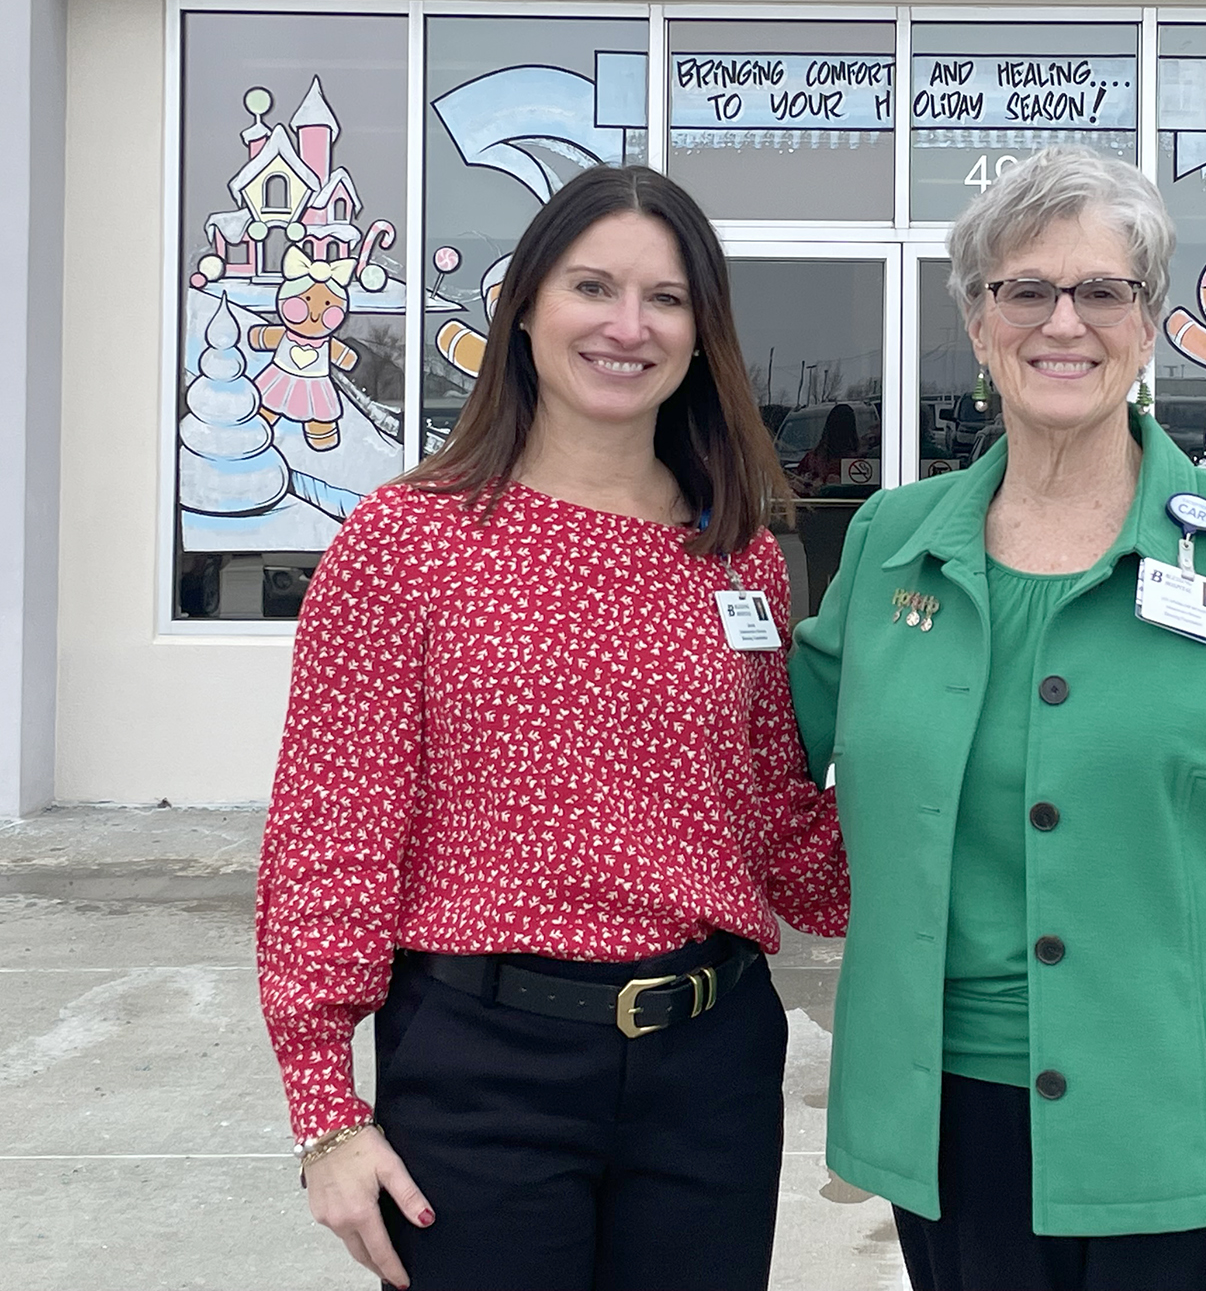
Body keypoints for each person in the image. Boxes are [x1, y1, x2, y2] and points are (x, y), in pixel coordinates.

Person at [790, 148, 1206, 1291]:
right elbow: (746, 746)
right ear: (977, 324)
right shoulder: (890, 545)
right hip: (951, 1140)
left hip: (1187, 1139)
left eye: (1101, 291)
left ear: (1148, 324)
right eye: (1026, 289)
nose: (1063, 322)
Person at [256, 165, 847, 1291]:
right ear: (524, 307)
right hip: (485, 1070)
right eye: (593, 287)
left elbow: (779, 820)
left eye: (666, 298)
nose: (628, 326)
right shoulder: (408, 540)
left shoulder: (739, 558)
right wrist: (324, 1111)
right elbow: (334, 828)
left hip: (710, 1069)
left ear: (701, 334)